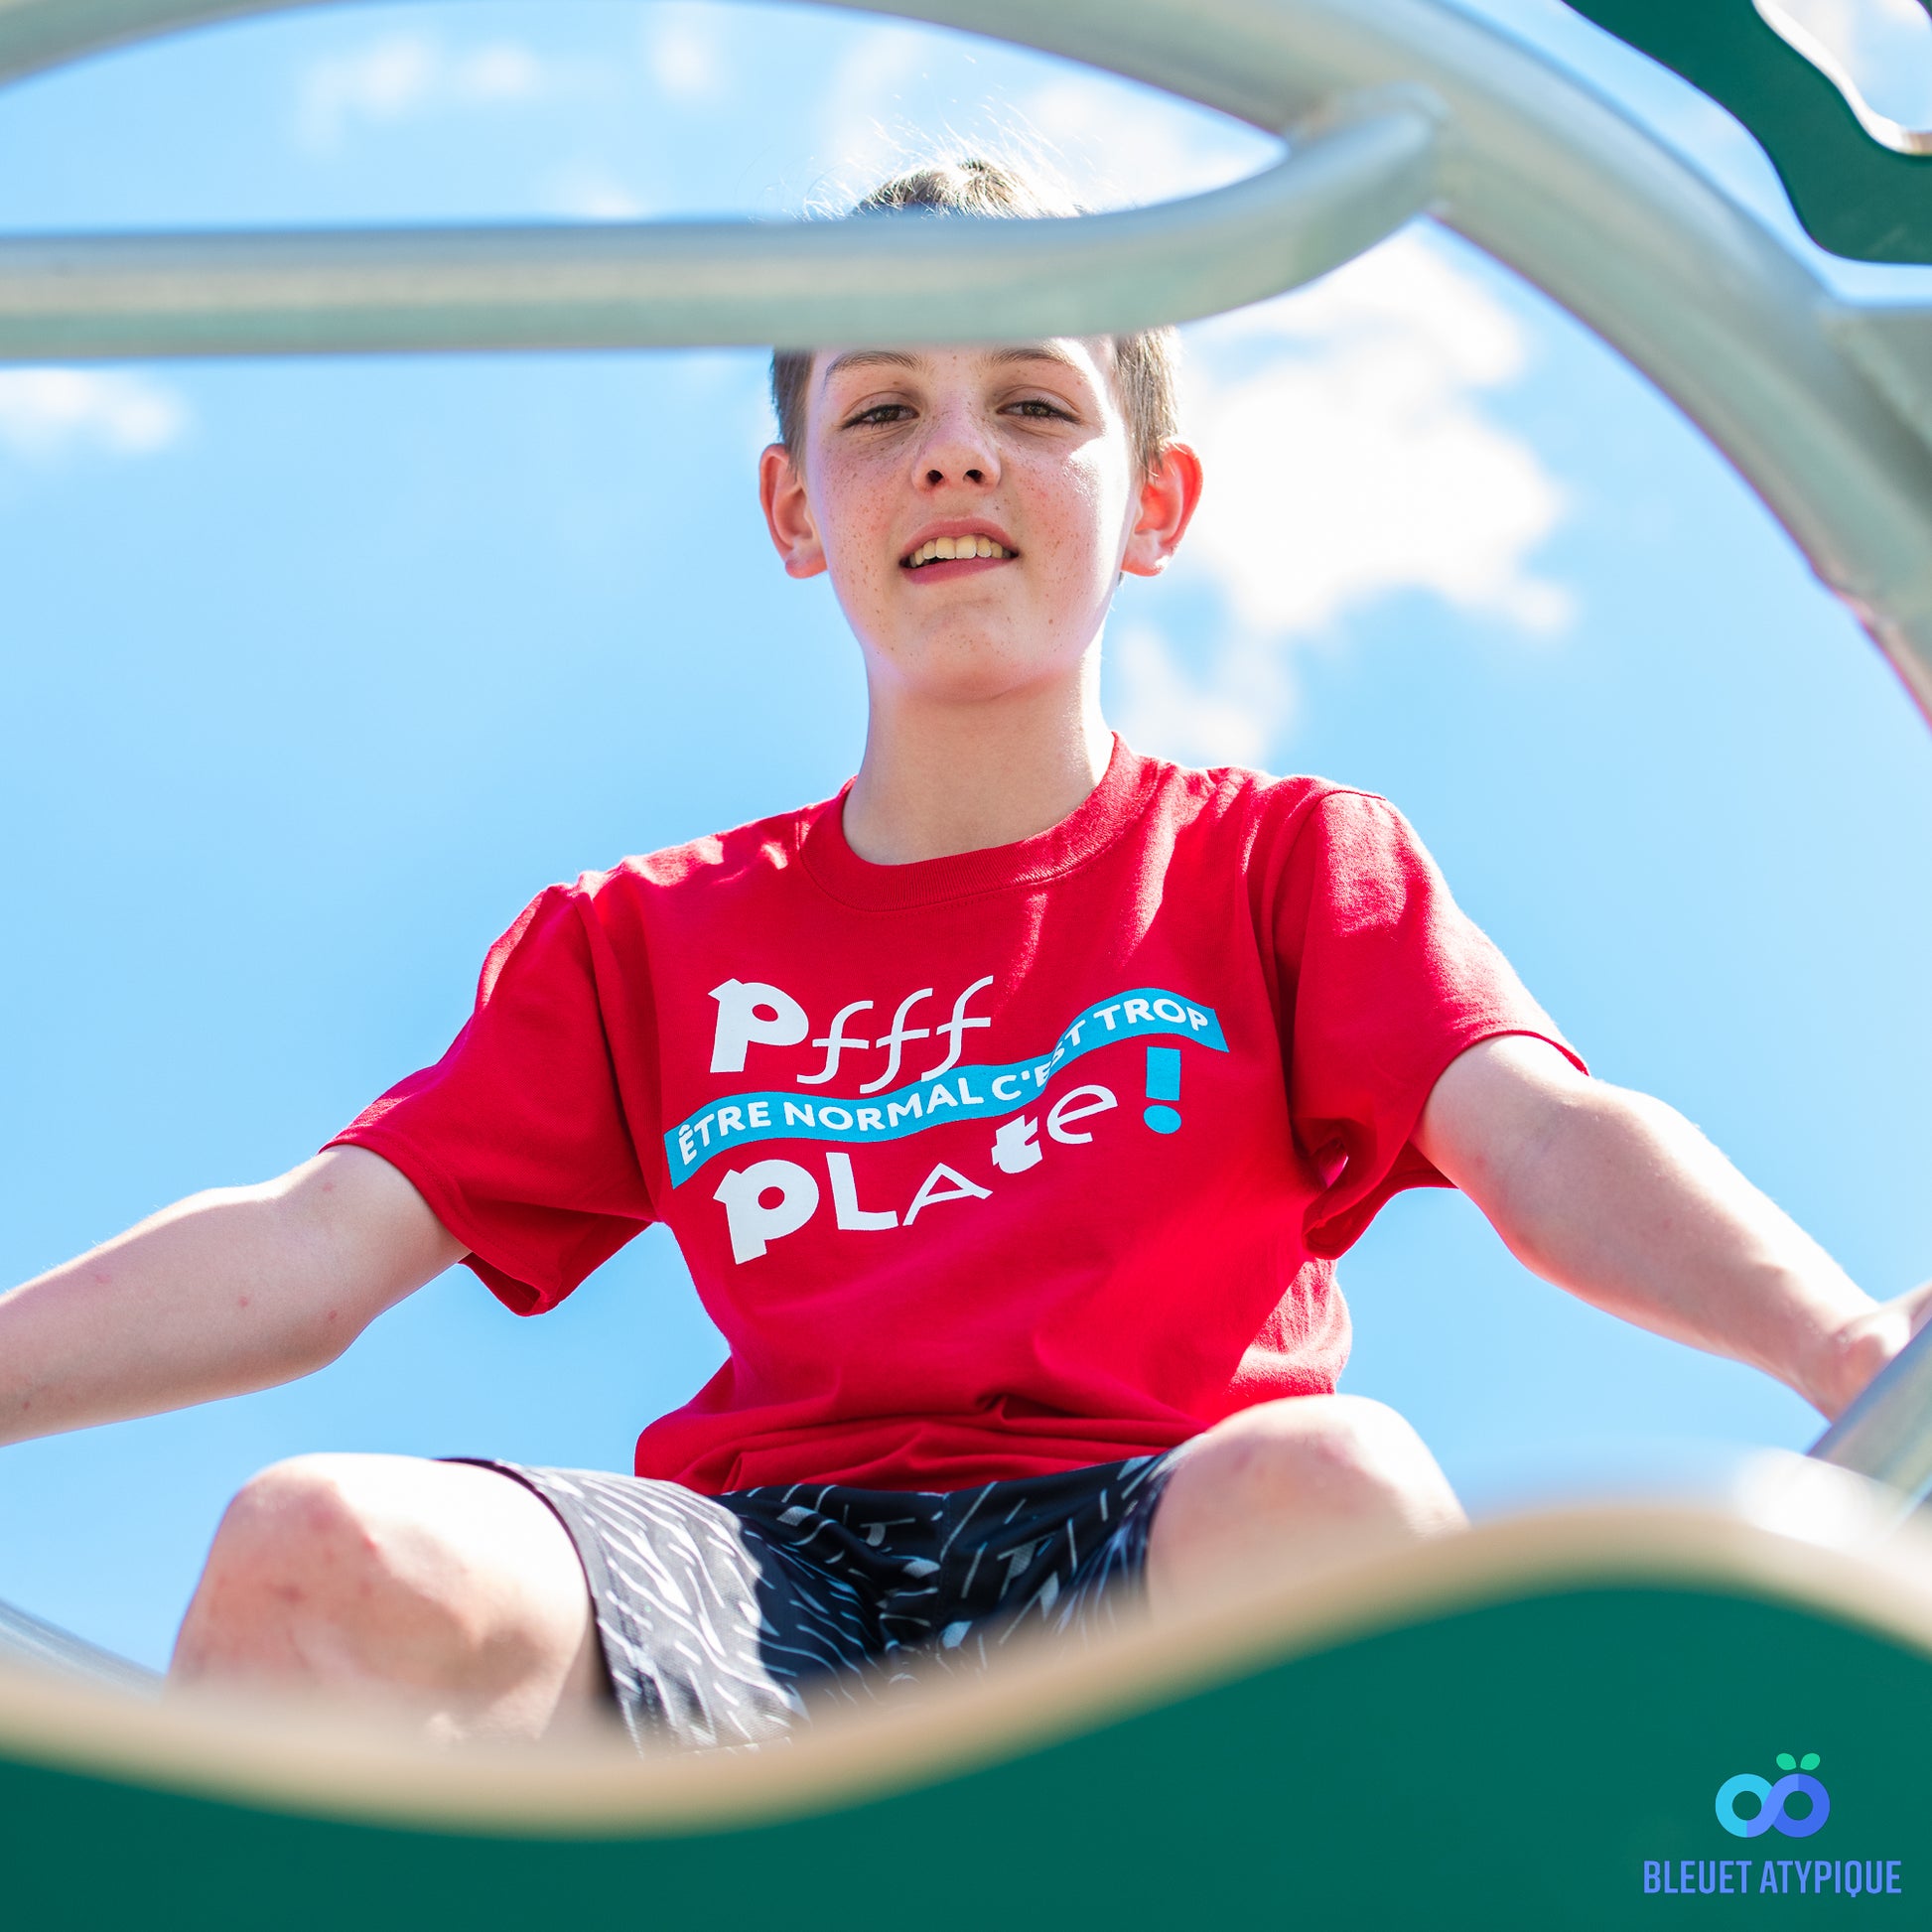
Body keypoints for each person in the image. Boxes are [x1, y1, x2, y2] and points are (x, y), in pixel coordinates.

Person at [2, 156, 1924, 1755]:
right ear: (796, 507)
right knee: (314, 1542)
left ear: (1152, 502)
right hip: (760, 1571)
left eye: (1031, 403)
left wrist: (1840, 1339)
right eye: (880, 413)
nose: (952, 457)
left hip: (1148, 1541)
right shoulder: (645, 938)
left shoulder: (1274, 864)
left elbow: (1542, 1137)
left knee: (1334, 1488)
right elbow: (312, 1241)